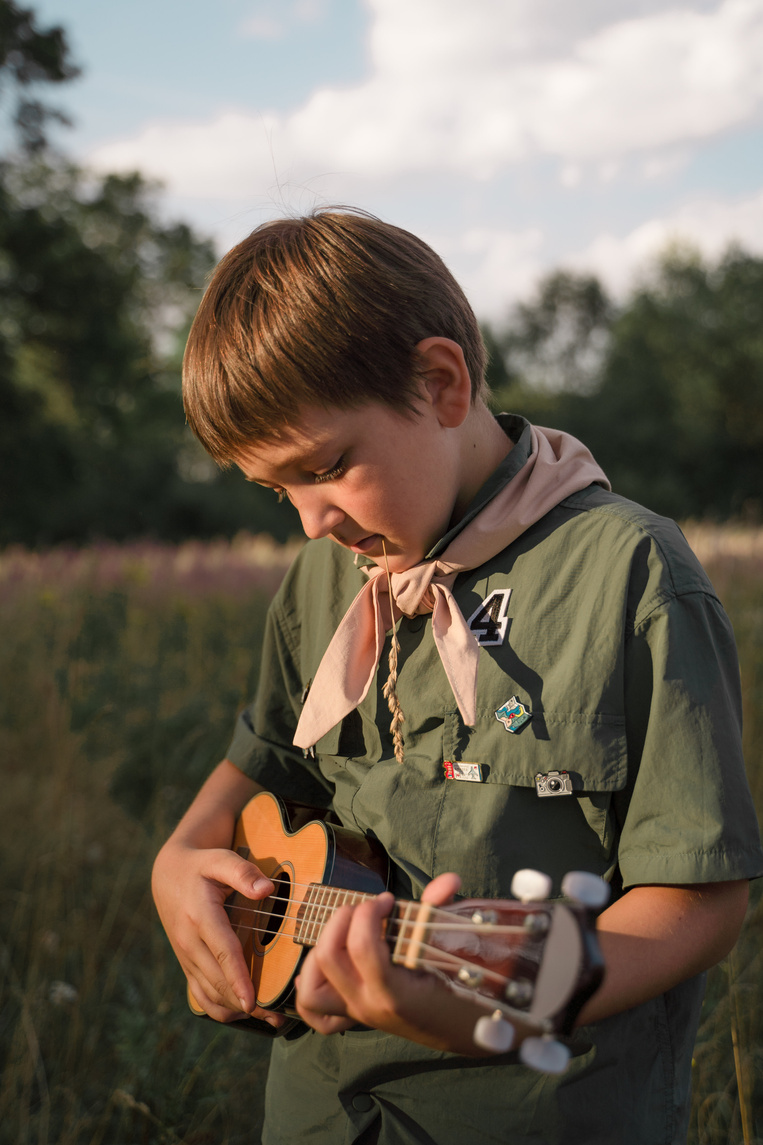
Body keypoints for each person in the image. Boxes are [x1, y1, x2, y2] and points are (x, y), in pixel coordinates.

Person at [152, 209, 763, 1145]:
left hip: (540, 1113)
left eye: (327, 468)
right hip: (321, 1105)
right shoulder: (325, 576)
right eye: (277, 492)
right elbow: (268, 756)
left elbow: (700, 901)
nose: (311, 523)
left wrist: (517, 998)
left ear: (440, 384)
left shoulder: (630, 572)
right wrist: (176, 860)